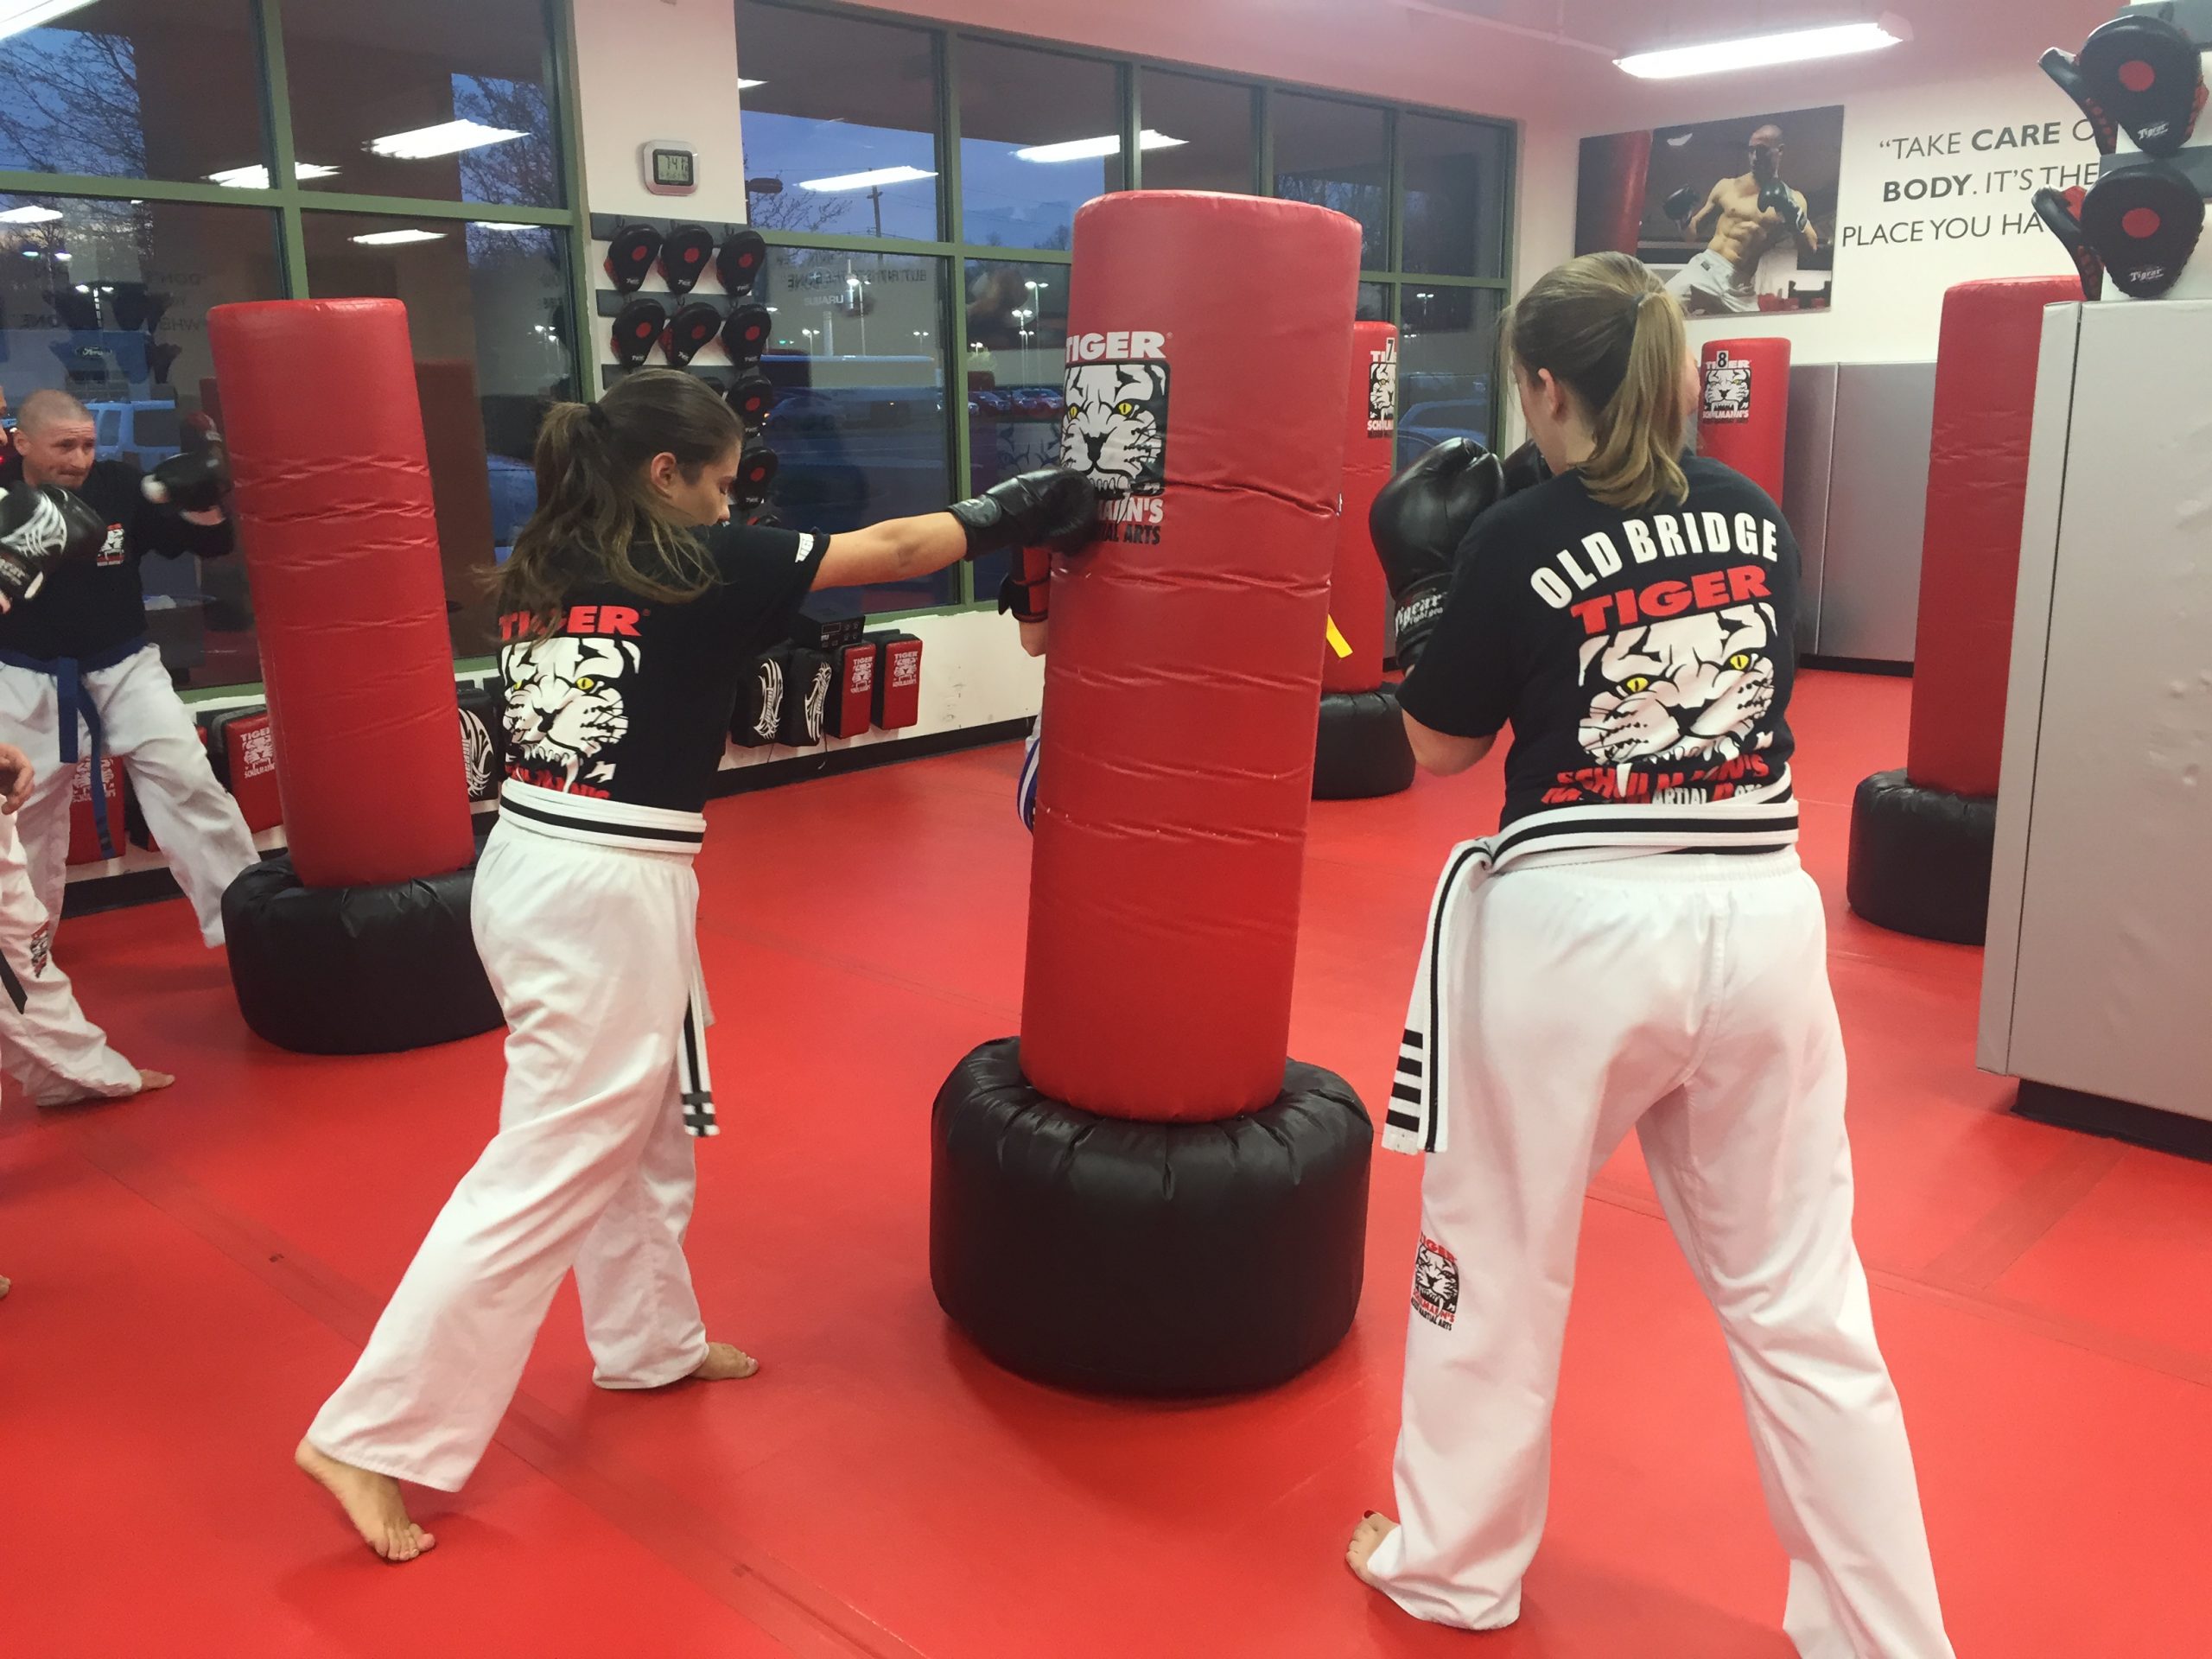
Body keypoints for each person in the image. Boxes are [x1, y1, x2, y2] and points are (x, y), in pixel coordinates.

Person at [296, 368, 1096, 1564]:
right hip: (596, 886)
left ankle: (647, 1344)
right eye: (720, 482)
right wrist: (1022, 506)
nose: (732, 504)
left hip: (541, 862)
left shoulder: (552, 563)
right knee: (556, 1156)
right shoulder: (692, 566)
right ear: (664, 475)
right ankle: (373, 1433)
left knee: (643, 1122)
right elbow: (889, 546)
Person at [1347, 253, 1952, 1658]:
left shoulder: (1514, 537)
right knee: (1804, 1300)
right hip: (1764, 916)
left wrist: (1432, 595)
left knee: (1495, 1257)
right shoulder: (1755, 515)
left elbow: (1438, 750)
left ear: (1544, 386)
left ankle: (1451, 1569)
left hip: (1581, 926)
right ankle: (1890, 1636)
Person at [0, 390, 259, 947]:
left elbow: (206, 542)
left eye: (88, 445)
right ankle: (23, 948)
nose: (79, 459)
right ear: (22, 442)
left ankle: (252, 925)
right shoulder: (1, 496)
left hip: (125, 666)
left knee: (190, 785)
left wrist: (206, 501)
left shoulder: (118, 485)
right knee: (22, 818)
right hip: (23, 675)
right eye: (64, 446)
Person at [1664, 124, 1820, 317]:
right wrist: (1682, 218)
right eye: (1751, 150)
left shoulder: (1794, 199)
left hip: (1741, 285)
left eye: (1761, 151)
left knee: (1753, 339)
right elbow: (1692, 234)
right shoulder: (1727, 186)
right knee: (1660, 310)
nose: (1755, 158)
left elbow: (1810, 249)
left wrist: (1793, 213)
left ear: (1780, 151)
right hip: (1706, 269)